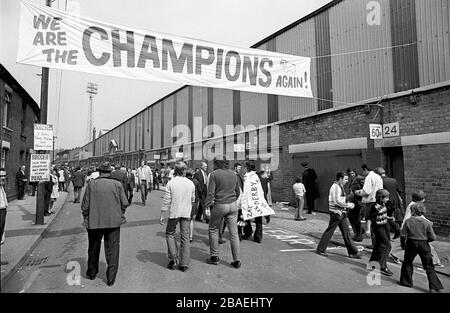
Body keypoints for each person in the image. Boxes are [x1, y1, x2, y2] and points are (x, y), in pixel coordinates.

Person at [81, 161, 129, 286]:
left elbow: (85, 205)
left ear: (99, 172)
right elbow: (124, 203)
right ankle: (111, 278)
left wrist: (87, 216)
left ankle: (92, 272)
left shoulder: (92, 184)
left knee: (93, 247)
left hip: (94, 221)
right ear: (110, 172)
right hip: (113, 222)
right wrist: (119, 213)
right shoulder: (117, 184)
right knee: (113, 249)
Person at [398, 202, 444, 292]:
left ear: (413, 211)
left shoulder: (408, 221)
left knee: (407, 262)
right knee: (429, 266)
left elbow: (403, 235)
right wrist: (427, 241)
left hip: (411, 243)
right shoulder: (427, 223)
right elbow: (432, 237)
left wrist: (403, 245)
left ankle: (406, 282)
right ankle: (433, 286)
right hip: (424, 244)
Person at [205, 158, 241, 268]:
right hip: (232, 205)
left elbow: (210, 193)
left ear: (216, 164)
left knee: (213, 229)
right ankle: (237, 260)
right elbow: (238, 191)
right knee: (233, 234)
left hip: (220, 204)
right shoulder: (233, 174)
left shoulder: (214, 174)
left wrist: (206, 206)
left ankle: (214, 257)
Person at [160, 161, 195, 272]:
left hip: (174, 213)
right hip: (186, 212)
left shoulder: (171, 183)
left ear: (175, 171)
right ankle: (184, 263)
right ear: (184, 170)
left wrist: (162, 213)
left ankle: (173, 258)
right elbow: (193, 199)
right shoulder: (190, 183)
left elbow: (166, 200)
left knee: (170, 234)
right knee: (185, 237)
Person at [316, 171, 360, 259]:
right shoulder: (336, 187)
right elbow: (337, 201)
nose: (347, 181)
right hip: (336, 213)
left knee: (346, 232)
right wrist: (349, 205)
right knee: (330, 231)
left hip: (341, 213)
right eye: (345, 179)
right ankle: (320, 249)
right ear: (340, 179)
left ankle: (352, 252)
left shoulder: (340, 186)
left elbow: (341, 199)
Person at [241, 161, 273, 243]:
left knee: (247, 216)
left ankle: (248, 233)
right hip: (259, 200)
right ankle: (258, 236)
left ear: (247, 168)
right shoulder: (260, 177)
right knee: (258, 218)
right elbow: (265, 190)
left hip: (249, 200)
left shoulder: (246, 177)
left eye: (244, 167)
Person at [368, 189, 394, 276]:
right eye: (386, 198)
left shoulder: (382, 204)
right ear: (380, 198)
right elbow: (370, 218)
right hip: (378, 228)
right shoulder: (374, 207)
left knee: (378, 245)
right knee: (387, 245)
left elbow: (382, 215)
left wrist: (388, 218)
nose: (387, 199)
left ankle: (372, 263)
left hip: (383, 227)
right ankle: (382, 266)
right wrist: (368, 229)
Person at [356, 166, 384, 247]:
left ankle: (374, 244)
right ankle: (379, 242)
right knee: (378, 222)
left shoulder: (369, 177)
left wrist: (357, 192)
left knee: (372, 222)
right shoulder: (378, 177)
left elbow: (366, 191)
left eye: (363, 171)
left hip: (370, 202)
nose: (362, 173)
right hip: (378, 201)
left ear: (365, 170)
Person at [382, 173, 403, 239]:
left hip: (385, 201)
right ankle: (397, 229)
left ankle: (388, 236)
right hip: (394, 202)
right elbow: (399, 190)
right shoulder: (393, 180)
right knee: (389, 217)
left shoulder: (381, 181)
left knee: (385, 219)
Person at [347, 168, 365, 242]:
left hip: (357, 201)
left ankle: (358, 235)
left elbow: (364, 189)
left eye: (353, 173)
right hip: (352, 201)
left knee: (356, 218)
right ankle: (360, 231)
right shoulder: (352, 179)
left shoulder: (360, 178)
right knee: (351, 217)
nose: (352, 174)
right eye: (350, 173)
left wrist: (359, 193)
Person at [186, 169, 200, 242]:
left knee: (185, 219)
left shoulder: (184, 182)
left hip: (185, 202)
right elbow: (199, 191)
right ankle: (190, 236)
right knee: (191, 219)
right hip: (194, 202)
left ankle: (185, 235)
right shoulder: (196, 182)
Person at [0, 168, 8, 248]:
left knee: (2, 225)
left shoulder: (2, 186)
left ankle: (2, 234)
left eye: (4, 176)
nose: (3, 177)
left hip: (3, 208)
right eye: (1, 176)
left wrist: (6, 205)